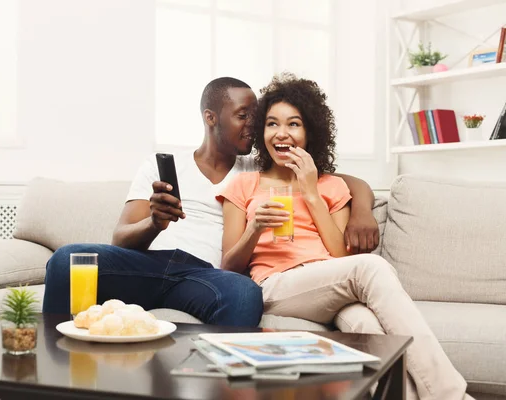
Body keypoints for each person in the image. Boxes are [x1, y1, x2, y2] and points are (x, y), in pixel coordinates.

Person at [42, 77, 379, 327]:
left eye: (257, 118)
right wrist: (154, 223)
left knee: (246, 294)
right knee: (65, 261)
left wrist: (363, 211)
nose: (255, 126)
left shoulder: (256, 170)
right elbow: (121, 238)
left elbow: (339, 181)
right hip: (146, 267)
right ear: (211, 118)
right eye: (244, 116)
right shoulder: (161, 167)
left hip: (205, 276)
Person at [218, 73, 470, 399]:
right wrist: (254, 230)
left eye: (293, 124)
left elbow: (338, 256)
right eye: (272, 124)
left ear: (310, 132)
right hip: (276, 284)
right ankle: (452, 395)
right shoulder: (244, 185)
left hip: (329, 285)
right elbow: (227, 268)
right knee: (371, 267)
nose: (282, 133)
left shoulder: (332, 186)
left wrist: (310, 191)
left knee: (367, 327)